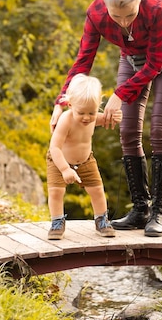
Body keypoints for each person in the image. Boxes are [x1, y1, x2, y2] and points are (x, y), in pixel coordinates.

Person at [50, 0, 162, 237]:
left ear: (139, 2)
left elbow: (155, 64)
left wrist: (119, 94)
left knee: (160, 128)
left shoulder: (155, 5)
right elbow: (83, 62)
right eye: (117, 16)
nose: (124, 22)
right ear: (105, 3)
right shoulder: (96, 13)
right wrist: (61, 101)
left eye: (130, 15)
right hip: (132, 60)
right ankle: (140, 210)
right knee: (126, 131)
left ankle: (158, 213)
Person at [47, 73, 122, 240]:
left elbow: (105, 120)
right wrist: (65, 169)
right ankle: (57, 221)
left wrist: (116, 117)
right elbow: (55, 147)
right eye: (81, 113)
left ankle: (101, 219)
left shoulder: (91, 117)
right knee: (56, 192)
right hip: (59, 160)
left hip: (86, 160)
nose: (87, 118)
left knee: (97, 190)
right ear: (70, 105)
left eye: (92, 112)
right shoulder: (65, 120)